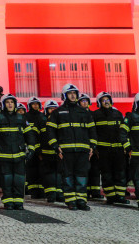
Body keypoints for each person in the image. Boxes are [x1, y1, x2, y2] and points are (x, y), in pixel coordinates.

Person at [46, 83, 97, 211]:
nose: (73, 96)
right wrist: (55, 146)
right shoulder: (57, 113)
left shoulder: (84, 113)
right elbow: (50, 131)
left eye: (74, 93)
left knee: (82, 176)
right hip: (66, 151)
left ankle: (81, 200)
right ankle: (70, 201)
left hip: (82, 150)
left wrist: (92, 146)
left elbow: (92, 131)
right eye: (70, 93)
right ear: (65, 96)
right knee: (67, 176)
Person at [0, 94, 36, 209]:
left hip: (19, 155)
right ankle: (8, 202)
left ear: (15, 104)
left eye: (12, 102)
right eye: (7, 102)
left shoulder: (21, 118)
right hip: (4, 155)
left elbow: (29, 135)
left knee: (19, 180)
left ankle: (19, 202)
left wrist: (31, 149)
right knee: (7, 180)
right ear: (3, 104)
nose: (10, 104)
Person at [92, 92, 128, 205]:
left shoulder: (118, 114)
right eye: (103, 100)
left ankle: (120, 196)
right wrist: (95, 148)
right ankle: (111, 197)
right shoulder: (95, 115)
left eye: (108, 99)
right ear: (99, 102)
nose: (106, 102)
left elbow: (124, 131)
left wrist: (125, 146)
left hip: (118, 149)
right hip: (103, 150)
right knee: (106, 174)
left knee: (120, 173)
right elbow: (93, 132)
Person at [79, 93, 102, 199]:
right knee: (84, 169)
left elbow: (96, 131)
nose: (84, 103)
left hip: (94, 146)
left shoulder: (94, 115)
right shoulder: (77, 115)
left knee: (95, 170)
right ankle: (86, 191)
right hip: (82, 146)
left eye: (86, 101)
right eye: (82, 101)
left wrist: (95, 146)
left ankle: (96, 191)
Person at [40, 99, 64, 203]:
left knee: (59, 173)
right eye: (50, 108)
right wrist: (38, 151)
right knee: (49, 174)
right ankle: (50, 194)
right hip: (46, 152)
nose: (52, 110)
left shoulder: (60, 121)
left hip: (58, 152)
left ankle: (59, 193)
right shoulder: (42, 122)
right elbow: (39, 138)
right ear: (46, 110)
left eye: (54, 108)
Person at [24, 97, 45, 199]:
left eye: (37, 104)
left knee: (41, 170)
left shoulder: (42, 116)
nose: (35, 105)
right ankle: (33, 191)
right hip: (29, 147)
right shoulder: (26, 117)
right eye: (33, 104)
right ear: (29, 106)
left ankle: (41, 190)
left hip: (41, 148)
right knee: (31, 170)